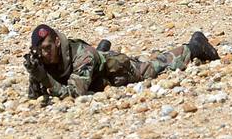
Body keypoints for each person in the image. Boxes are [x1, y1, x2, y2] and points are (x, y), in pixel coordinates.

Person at [23, 24, 219, 98]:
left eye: (48, 48)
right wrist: (36, 75)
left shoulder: (82, 56)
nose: (45, 54)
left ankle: (194, 46)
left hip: (119, 69)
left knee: (155, 66)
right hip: (96, 70)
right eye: (40, 51)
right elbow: (36, 93)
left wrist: (45, 79)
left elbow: (74, 93)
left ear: (57, 42)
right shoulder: (48, 57)